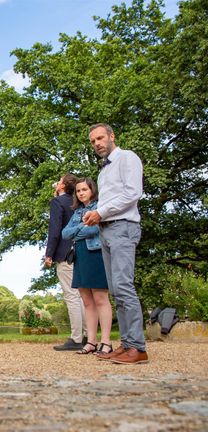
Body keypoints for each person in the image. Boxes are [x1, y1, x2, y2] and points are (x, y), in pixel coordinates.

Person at [83, 123, 148, 365]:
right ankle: (128, 343)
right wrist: (96, 216)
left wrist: (101, 212)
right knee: (116, 289)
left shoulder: (127, 158)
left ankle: (138, 347)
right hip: (106, 230)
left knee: (124, 286)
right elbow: (108, 202)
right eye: (93, 141)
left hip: (123, 227)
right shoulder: (102, 171)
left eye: (100, 138)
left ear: (112, 136)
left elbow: (132, 193)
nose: (97, 143)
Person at [62, 178, 113, 355]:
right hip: (80, 255)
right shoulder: (77, 212)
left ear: (92, 190)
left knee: (100, 298)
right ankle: (91, 341)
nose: (81, 193)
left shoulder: (100, 208)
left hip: (96, 253)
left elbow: (95, 230)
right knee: (87, 301)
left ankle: (106, 342)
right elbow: (65, 233)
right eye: (78, 191)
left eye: (84, 189)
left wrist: (80, 229)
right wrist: (83, 226)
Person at [45, 173, 86, 351]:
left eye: (59, 181)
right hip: (80, 252)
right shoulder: (76, 203)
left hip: (65, 253)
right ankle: (86, 335)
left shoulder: (57, 203)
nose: (57, 183)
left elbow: (55, 230)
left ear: (62, 186)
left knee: (71, 295)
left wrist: (49, 254)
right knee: (82, 296)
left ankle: (76, 338)